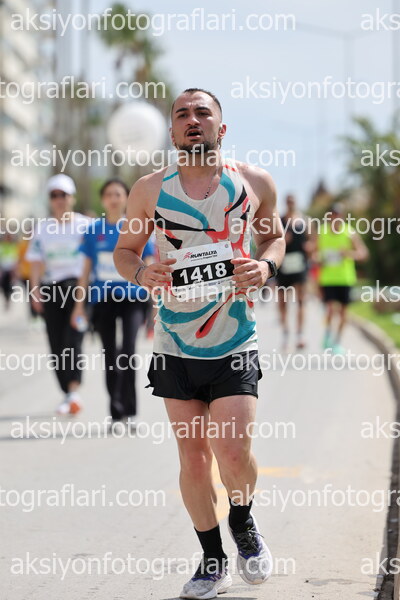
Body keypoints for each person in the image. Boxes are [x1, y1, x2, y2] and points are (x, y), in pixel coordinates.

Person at [114, 88, 285, 599]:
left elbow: (274, 237)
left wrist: (266, 266)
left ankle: (243, 520)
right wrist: (142, 272)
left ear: (220, 128)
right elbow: (125, 251)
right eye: (182, 114)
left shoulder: (253, 182)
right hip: (174, 343)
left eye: (202, 112)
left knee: (232, 453)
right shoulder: (149, 189)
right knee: (192, 459)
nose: (192, 119)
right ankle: (212, 561)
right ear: (171, 132)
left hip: (235, 337)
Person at [70, 179, 155, 422]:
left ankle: (131, 410)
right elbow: (86, 271)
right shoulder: (93, 230)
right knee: (110, 355)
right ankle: (116, 413)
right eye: (108, 194)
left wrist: (156, 303)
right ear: (103, 199)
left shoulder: (137, 226)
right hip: (103, 299)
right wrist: (79, 306)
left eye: (118, 194)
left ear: (127, 198)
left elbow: (149, 265)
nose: (114, 199)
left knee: (128, 350)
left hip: (133, 298)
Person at [26, 174, 91, 414]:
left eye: (63, 194)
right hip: (51, 289)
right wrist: (35, 292)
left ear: (71, 197)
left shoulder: (86, 225)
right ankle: (67, 393)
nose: (59, 199)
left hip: (79, 288)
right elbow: (35, 262)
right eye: (54, 195)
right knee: (56, 343)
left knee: (73, 339)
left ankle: (74, 390)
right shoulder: (43, 228)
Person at [317, 203, 368, 354]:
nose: (335, 218)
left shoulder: (349, 233)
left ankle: (337, 342)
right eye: (333, 215)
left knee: (343, 314)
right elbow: (314, 253)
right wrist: (318, 259)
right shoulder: (322, 232)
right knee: (330, 309)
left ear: (342, 216)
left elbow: (363, 254)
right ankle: (327, 336)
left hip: (345, 279)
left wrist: (348, 254)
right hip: (327, 279)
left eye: (338, 215)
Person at [276, 195, 312, 350]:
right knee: (283, 301)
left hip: (300, 265)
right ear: (285, 203)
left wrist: (310, 247)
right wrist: (283, 240)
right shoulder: (280, 221)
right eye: (288, 201)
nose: (291, 204)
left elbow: (313, 240)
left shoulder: (304, 221)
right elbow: (273, 240)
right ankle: (285, 333)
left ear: (296, 203)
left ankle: (300, 334)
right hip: (284, 266)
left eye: (293, 201)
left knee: (301, 301)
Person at [0, 232, 18, 311]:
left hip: (11, 270)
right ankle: (6, 298)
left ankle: (8, 298)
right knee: (4, 285)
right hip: (3, 270)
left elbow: (15, 258)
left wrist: (15, 270)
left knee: (10, 285)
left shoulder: (13, 246)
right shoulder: (2, 246)